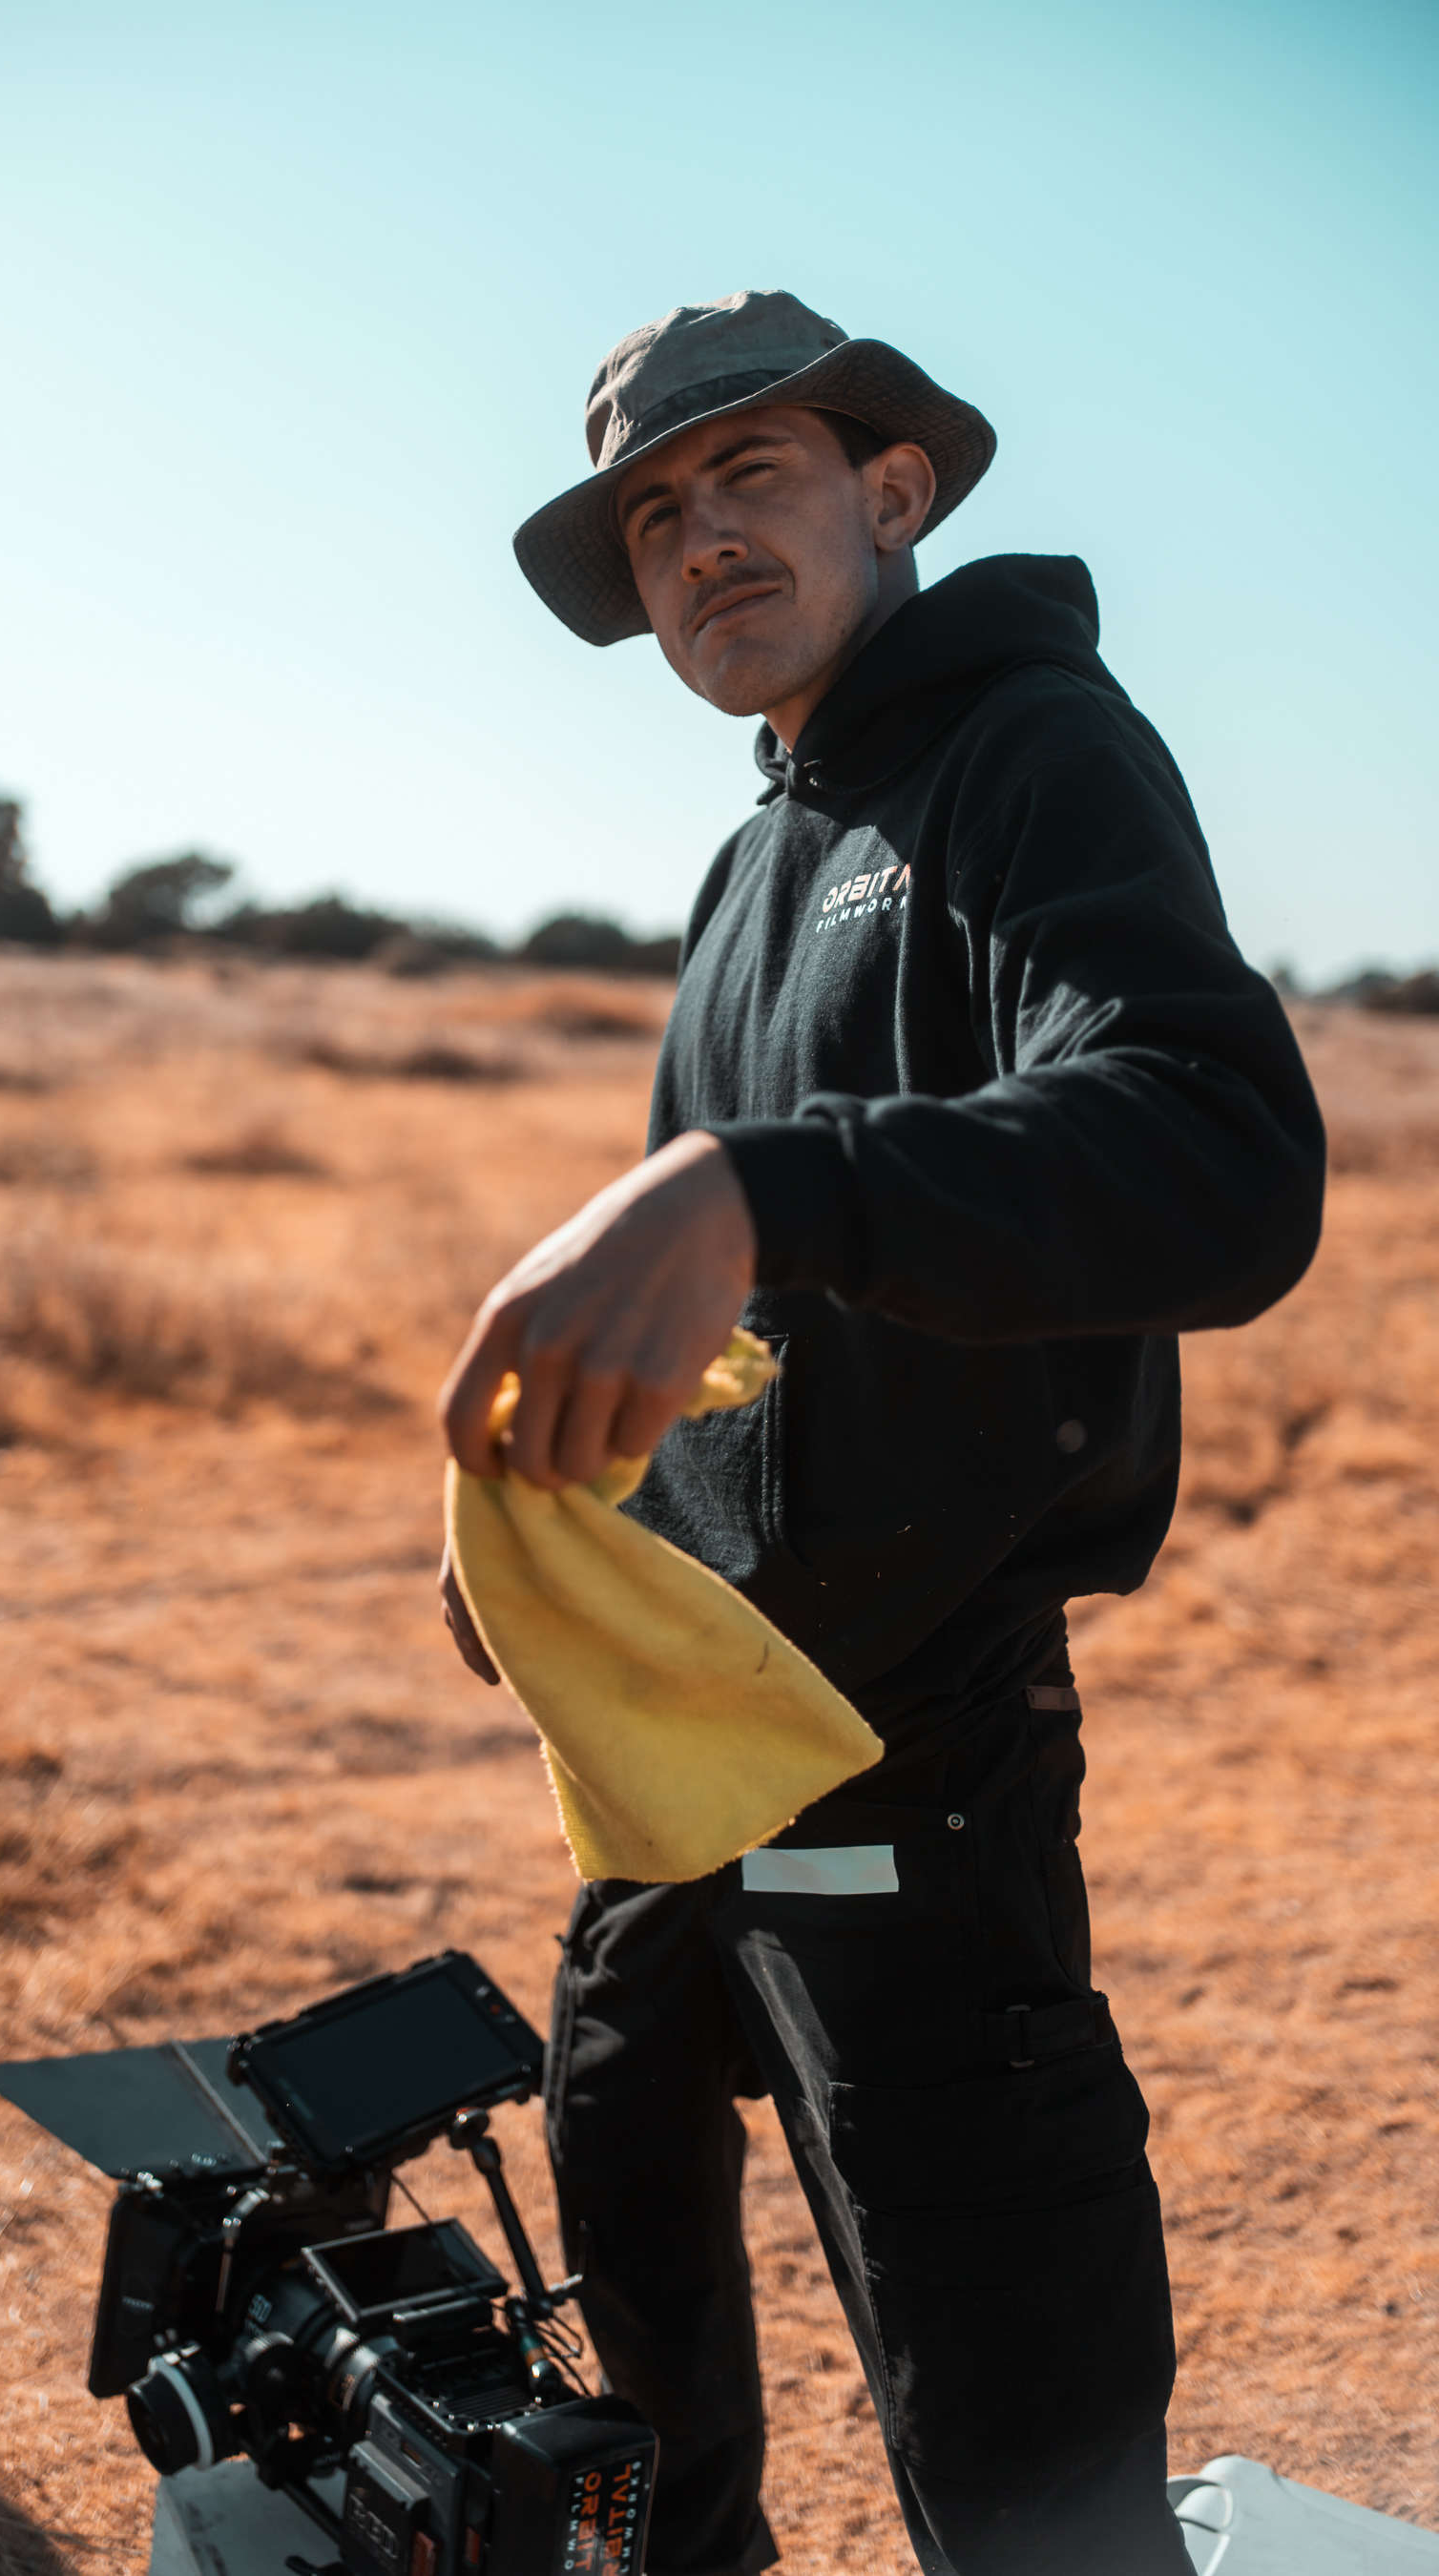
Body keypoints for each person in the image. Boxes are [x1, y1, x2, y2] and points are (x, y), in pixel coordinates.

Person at [437, 289, 1325, 2576]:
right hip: (702, 1725)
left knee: (1015, 2438)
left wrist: (763, 1184)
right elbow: (729, 1328)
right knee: (625, 2187)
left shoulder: (1034, 750)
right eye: (656, 516)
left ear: (897, 489)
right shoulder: (757, 858)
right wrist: (563, 1512)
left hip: (915, 1746)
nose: (701, 540)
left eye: (752, 473)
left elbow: (1217, 1155)